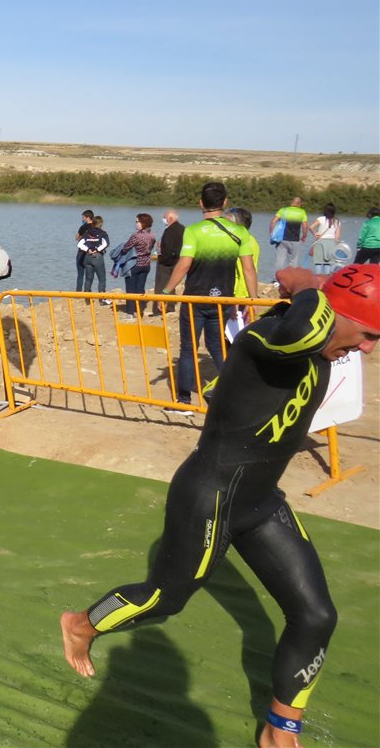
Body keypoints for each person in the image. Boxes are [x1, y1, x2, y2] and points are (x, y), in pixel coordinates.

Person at [61, 264, 380, 748]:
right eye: (367, 335)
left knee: (316, 615)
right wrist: (309, 285)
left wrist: (318, 296)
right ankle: (80, 624)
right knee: (164, 598)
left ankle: (279, 731)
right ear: (330, 314)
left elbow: (316, 326)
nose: (368, 350)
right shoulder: (270, 338)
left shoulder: (317, 344)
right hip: (208, 495)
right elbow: (303, 324)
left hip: (260, 501)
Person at [161, 181, 258, 410]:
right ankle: (234, 394)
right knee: (216, 346)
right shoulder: (240, 232)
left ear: (200, 203)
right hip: (223, 299)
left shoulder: (193, 231)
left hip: (195, 298)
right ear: (225, 202)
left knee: (188, 348)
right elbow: (249, 269)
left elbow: (184, 264)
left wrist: (166, 291)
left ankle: (184, 401)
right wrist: (253, 300)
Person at [119, 214, 156, 314]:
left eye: (137, 222)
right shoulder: (152, 235)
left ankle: (130, 312)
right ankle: (139, 310)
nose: (136, 224)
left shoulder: (136, 235)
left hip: (134, 264)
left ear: (143, 223)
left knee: (130, 288)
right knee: (140, 288)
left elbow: (126, 247)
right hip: (146, 264)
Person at [226, 207, 262, 299]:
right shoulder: (249, 239)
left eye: (226, 224)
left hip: (240, 292)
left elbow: (247, 271)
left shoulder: (244, 242)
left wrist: (250, 297)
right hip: (240, 291)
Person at [152, 210, 183, 316]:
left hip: (167, 262)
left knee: (161, 285)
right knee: (171, 284)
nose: (163, 220)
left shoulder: (170, 230)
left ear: (170, 218)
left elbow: (168, 248)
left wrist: (162, 259)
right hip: (177, 260)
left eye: (164, 217)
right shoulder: (182, 228)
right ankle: (170, 306)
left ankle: (160, 309)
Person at [270, 196, 308, 278]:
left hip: (282, 239)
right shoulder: (302, 212)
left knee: (280, 260)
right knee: (293, 261)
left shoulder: (283, 210)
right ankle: (291, 279)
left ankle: (277, 279)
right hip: (295, 239)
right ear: (299, 204)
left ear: (291, 202)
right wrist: (304, 236)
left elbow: (273, 222)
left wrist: (272, 233)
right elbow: (305, 226)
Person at [77, 215, 110, 299]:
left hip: (87, 257)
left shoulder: (87, 232)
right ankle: (102, 299)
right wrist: (97, 249)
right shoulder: (102, 233)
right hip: (97, 257)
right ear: (101, 224)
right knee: (101, 278)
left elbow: (79, 244)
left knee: (88, 278)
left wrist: (87, 250)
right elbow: (106, 244)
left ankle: (87, 298)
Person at [309, 203, 342, 275]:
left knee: (318, 262)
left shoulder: (320, 219)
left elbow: (311, 227)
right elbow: (337, 237)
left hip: (320, 242)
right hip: (331, 243)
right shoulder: (337, 221)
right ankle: (327, 278)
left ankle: (318, 278)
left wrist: (315, 234)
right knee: (328, 263)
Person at [74, 210, 96, 292]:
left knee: (80, 273)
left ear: (88, 218)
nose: (82, 219)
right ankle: (88, 291)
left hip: (82, 252)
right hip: (92, 252)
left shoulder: (83, 227)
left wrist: (82, 237)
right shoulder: (96, 227)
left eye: (83, 217)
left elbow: (77, 237)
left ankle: (78, 291)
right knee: (89, 274)